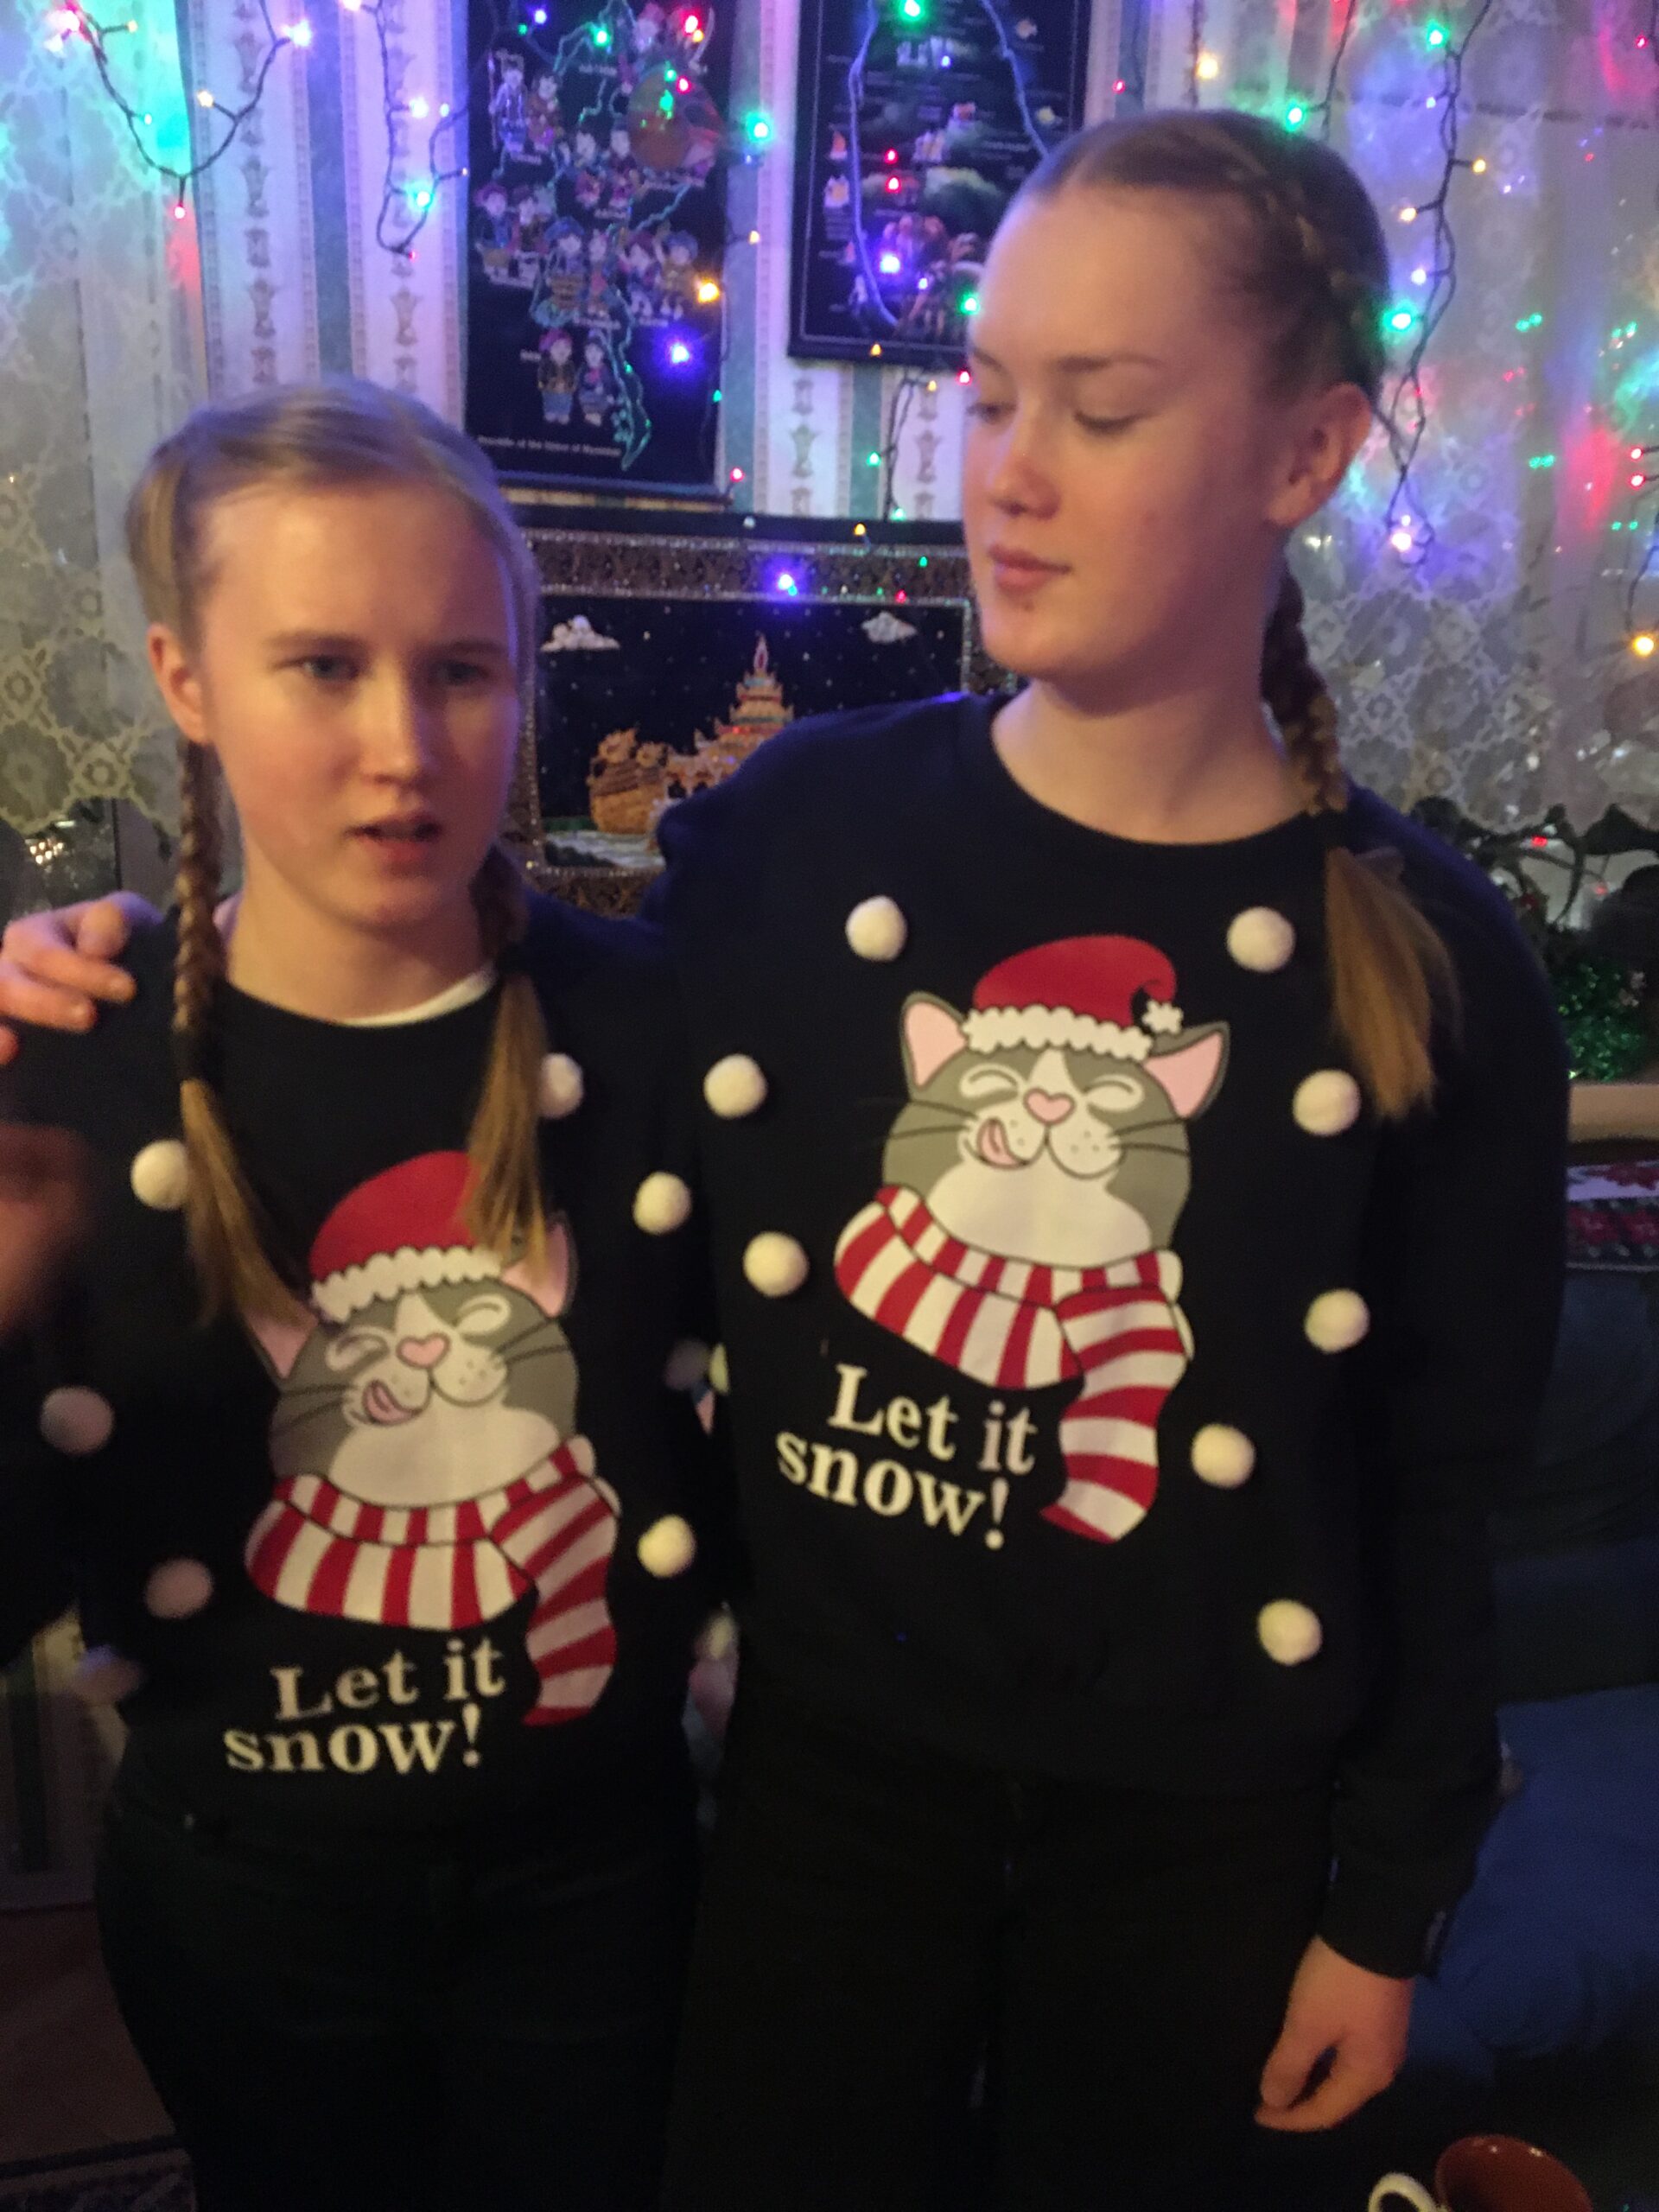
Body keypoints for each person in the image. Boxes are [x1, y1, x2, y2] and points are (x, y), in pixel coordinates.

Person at [1, 113, 1569, 2212]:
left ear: (1310, 450)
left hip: (1213, 1828)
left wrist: (1389, 1900)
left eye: (1099, 408)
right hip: (830, 1812)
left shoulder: (1438, 962)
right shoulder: (784, 842)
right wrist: (96, 966)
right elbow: (429, 1012)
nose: (1008, 471)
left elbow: (1444, 1490)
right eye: (989, 395)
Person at [0, 381, 721, 2212]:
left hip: (602, 1880)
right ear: (186, 679)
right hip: (244, 1901)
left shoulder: (654, 1035)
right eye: (322, 666)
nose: (404, 745)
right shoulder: (67, 1067)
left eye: (462, 671)